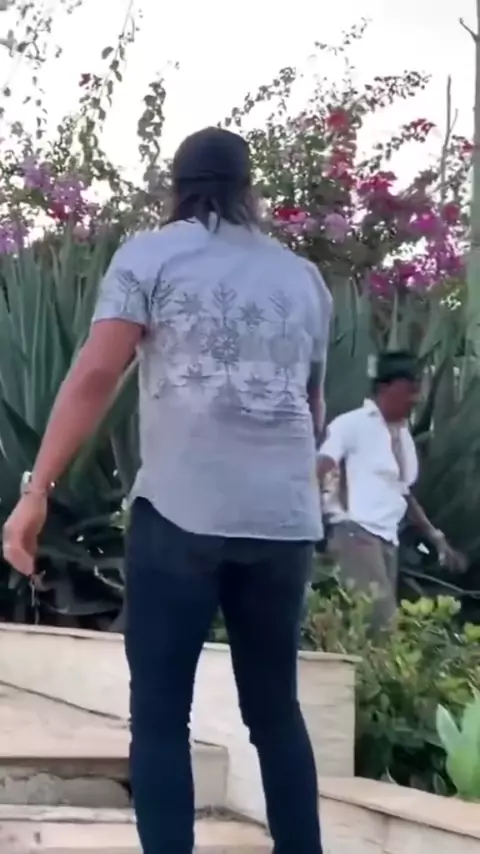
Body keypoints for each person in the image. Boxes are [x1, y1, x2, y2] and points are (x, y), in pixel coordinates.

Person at [2, 127, 332, 854]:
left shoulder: (150, 256)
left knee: (159, 717)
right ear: (249, 191)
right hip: (282, 523)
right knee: (275, 712)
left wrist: (37, 489)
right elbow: (312, 412)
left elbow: (96, 375)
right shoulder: (304, 279)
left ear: (177, 190)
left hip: (183, 516)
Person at [317, 350, 461, 631]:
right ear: (385, 388)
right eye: (408, 390)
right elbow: (322, 465)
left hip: (386, 540)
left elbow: (403, 493)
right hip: (356, 534)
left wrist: (436, 537)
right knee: (381, 623)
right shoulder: (353, 424)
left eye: (417, 391)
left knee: (362, 625)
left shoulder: (403, 436)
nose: (415, 399)